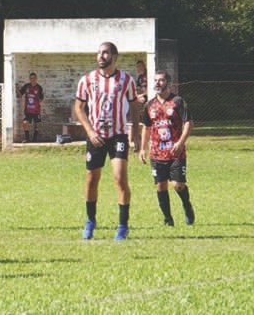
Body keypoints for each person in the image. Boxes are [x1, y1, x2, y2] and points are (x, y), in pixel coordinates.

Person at [74, 42, 137, 241]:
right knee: (91, 180)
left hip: (118, 135)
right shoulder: (87, 80)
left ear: (114, 56)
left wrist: (135, 132)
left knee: (119, 177)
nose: (101, 56)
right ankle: (90, 221)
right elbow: (78, 108)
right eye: (99, 53)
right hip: (96, 136)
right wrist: (90, 131)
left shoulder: (127, 80)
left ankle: (122, 226)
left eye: (105, 53)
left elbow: (134, 106)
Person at [139, 71, 195, 226]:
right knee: (161, 186)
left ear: (168, 83)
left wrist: (181, 142)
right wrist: (143, 149)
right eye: (155, 80)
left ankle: (187, 206)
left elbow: (188, 123)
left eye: (161, 80)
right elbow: (146, 127)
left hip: (175, 152)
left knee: (178, 185)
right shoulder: (149, 105)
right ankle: (168, 220)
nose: (157, 83)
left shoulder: (177, 101)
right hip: (156, 153)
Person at [17, 72, 44, 142]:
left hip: (36, 110)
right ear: (29, 79)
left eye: (34, 78)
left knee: (37, 124)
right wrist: (16, 88)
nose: (33, 79)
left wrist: (36, 101)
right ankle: (27, 138)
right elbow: (20, 95)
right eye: (31, 78)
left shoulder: (39, 87)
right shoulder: (26, 86)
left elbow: (41, 99)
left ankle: (35, 138)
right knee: (25, 122)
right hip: (28, 110)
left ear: (36, 79)